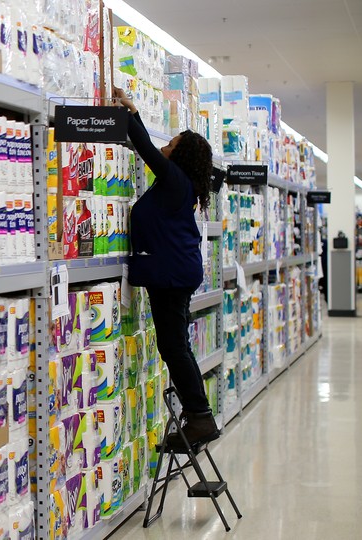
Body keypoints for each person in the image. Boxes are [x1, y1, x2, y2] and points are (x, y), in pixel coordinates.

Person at [113, 86, 219, 447]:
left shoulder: (175, 181)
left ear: (181, 155)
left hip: (173, 277)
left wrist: (130, 114)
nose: (165, 146)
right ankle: (199, 414)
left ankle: (201, 417)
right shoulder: (174, 186)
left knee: (174, 346)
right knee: (176, 345)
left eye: (171, 143)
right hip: (175, 273)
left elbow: (144, 148)